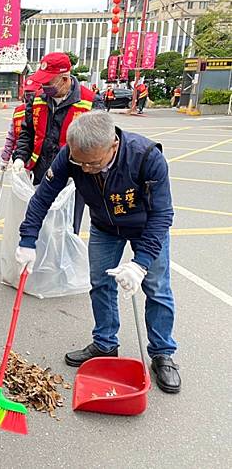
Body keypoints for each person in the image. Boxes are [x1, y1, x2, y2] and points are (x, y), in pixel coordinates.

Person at [15, 110, 180, 394]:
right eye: (79, 162)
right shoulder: (73, 155)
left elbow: (162, 214)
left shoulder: (147, 157)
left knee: (156, 288)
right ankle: (105, 344)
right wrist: (27, 239)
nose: (84, 168)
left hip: (146, 229)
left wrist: (139, 265)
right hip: (105, 228)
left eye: (92, 164)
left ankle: (163, 354)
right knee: (100, 285)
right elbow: (43, 196)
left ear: (113, 145)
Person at [12, 52, 104, 234]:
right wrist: (20, 157)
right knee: (39, 225)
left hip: (74, 179)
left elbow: (99, 145)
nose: (44, 87)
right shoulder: (37, 99)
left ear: (64, 79)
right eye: (42, 83)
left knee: (66, 228)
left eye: (49, 83)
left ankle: (62, 263)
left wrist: (85, 167)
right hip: (41, 173)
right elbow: (27, 132)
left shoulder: (90, 103)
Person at [0, 78, 40, 170]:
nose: (29, 96)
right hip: (20, 159)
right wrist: (5, 159)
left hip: (38, 162)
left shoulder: (44, 110)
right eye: (27, 92)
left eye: (32, 93)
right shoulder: (18, 111)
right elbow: (11, 136)